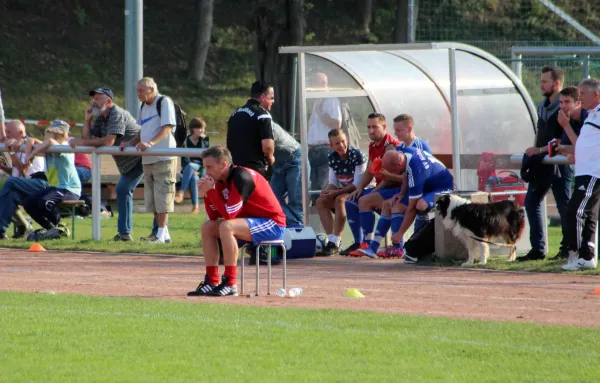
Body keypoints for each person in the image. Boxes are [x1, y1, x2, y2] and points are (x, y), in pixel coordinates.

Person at [187, 145, 286, 297]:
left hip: (272, 223)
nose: (206, 172)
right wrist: (208, 195)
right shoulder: (219, 180)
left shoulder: (241, 177)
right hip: (247, 222)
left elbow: (228, 215)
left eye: (210, 167)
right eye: (205, 167)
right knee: (208, 227)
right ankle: (212, 280)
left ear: (223, 165)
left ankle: (230, 283)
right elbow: (213, 217)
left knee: (227, 226)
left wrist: (211, 191)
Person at [70, 87, 144, 242]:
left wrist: (82, 142)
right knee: (124, 190)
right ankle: (127, 233)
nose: (94, 102)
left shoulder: (116, 113)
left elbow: (108, 142)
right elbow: (88, 137)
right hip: (128, 162)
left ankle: (125, 234)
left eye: (98, 99)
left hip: (141, 158)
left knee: (123, 189)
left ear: (109, 101)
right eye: (93, 99)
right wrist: (87, 120)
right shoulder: (101, 117)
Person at [518, 66, 572, 262]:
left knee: (564, 205)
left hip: (561, 162)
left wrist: (541, 150)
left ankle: (568, 248)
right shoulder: (542, 105)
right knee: (531, 203)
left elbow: (563, 140)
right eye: (541, 81)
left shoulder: (565, 107)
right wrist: (534, 153)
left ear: (556, 84)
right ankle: (538, 249)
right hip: (542, 162)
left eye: (544, 81)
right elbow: (540, 134)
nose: (541, 85)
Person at [122, 77, 178, 244]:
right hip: (147, 158)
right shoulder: (143, 106)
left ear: (151, 90)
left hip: (164, 156)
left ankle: (161, 234)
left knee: (163, 196)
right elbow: (142, 130)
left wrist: (150, 143)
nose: (138, 94)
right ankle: (164, 233)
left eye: (141, 91)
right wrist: (131, 143)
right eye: (137, 90)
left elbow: (167, 127)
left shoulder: (164, 102)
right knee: (152, 198)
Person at [343, 113, 400, 256]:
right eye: (368, 127)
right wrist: (360, 188)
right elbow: (370, 170)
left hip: (395, 189)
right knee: (351, 200)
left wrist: (374, 191)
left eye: (375, 127)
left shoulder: (390, 146)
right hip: (382, 188)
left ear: (384, 127)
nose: (371, 131)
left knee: (364, 200)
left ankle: (369, 243)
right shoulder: (373, 145)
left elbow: (390, 178)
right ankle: (359, 242)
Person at [384, 148, 454, 262]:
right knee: (398, 205)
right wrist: (402, 193)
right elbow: (407, 172)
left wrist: (400, 233)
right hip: (428, 185)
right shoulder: (404, 151)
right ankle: (406, 247)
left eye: (392, 170)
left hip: (443, 187)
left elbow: (411, 209)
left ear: (398, 164)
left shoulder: (417, 170)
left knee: (420, 205)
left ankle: (419, 247)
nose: (391, 174)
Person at [561, 78, 600, 271]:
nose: (579, 98)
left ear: (596, 95)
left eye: (582, 94)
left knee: (575, 212)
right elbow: (584, 144)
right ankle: (587, 256)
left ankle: (575, 254)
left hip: (593, 172)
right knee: (589, 214)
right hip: (584, 171)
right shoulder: (591, 115)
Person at [22, 120, 81, 237]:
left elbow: (49, 142)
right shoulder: (48, 147)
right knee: (29, 203)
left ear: (63, 135)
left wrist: (31, 155)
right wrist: (30, 143)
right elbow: (33, 141)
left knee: (45, 202)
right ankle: (50, 228)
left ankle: (61, 227)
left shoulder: (66, 148)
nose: (50, 135)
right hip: (55, 188)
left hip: (69, 189)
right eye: (50, 132)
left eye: (54, 133)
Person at [316, 128, 367, 256]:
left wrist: (334, 193)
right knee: (320, 201)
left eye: (343, 141)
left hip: (363, 190)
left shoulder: (357, 155)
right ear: (331, 145)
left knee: (340, 200)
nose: (341, 145)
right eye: (337, 143)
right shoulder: (332, 157)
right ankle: (332, 241)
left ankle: (336, 241)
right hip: (346, 189)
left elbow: (357, 184)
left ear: (347, 140)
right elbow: (333, 182)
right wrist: (326, 192)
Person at [0, 120, 46, 239]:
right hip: (24, 183)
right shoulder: (17, 146)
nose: (6, 135)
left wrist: (11, 153)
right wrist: (2, 167)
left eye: (9, 132)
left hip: (39, 184)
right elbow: (17, 174)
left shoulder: (29, 145)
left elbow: (23, 170)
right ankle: (18, 227)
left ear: (21, 133)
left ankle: (4, 227)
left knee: (9, 183)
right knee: (10, 194)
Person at [226, 81, 275, 179]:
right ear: (262, 97)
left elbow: (229, 143)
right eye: (271, 98)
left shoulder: (235, 114)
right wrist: (271, 159)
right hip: (256, 170)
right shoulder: (262, 115)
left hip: (237, 169)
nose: (273, 101)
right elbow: (267, 147)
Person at [307, 73, 342, 202]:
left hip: (325, 148)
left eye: (313, 82)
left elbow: (336, 123)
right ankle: (316, 217)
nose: (311, 85)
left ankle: (322, 217)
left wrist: (321, 113)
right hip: (314, 149)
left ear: (323, 83)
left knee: (322, 187)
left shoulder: (330, 99)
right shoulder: (318, 99)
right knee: (313, 187)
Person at [270, 121, 303, 228]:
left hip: (294, 158)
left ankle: (299, 234)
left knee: (296, 202)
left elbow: (266, 147)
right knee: (272, 199)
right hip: (278, 164)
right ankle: (294, 225)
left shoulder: (263, 121)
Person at [175, 117, 210, 213]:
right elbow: (183, 160)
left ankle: (181, 192)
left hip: (201, 168)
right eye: (199, 128)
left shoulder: (205, 140)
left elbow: (207, 159)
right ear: (193, 129)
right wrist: (190, 171)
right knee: (193, 177)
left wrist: (200, 171)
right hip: (188, 170)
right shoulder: (185, 140)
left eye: (203, 128)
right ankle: (195, 206)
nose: (202, 130)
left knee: (191, 167)